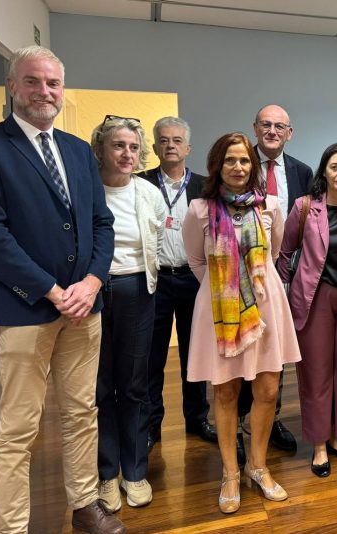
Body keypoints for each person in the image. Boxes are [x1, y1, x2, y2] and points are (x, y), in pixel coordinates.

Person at [0, 45, 125, 533]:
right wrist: (53, 290)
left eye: (52, 83)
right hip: (24, 309)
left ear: (62, 90)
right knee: (18, 430)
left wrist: (92, 281)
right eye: (32, 81)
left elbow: (101, 223)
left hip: (84, 309)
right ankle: (12, 527)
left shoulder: (76, 150)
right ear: (12, 87)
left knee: (80, 412)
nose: (43, 92)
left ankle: (85, 504)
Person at [183, 132, 301, 512]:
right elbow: (197, 261)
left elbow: (277, 252)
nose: (238, 167)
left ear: (254, 166)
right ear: (217, 165)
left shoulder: (271, 207)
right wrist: (225, 291)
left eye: (245, 160)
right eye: (231, 160)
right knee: (226, 392)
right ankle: (230, 473)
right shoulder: (199, 209)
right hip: (221, 313)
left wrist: (247, 287)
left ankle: (258, 466)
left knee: (268, 391)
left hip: (266, 309)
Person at [91, 116, 166, 509]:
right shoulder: (86, 190)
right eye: (119, 145)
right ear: (101, 148)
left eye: (134, 147)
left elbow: (154, 242)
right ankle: (107, 474)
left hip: (138, 290)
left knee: (135, 385)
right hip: (94, 292)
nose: (127, 154)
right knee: (102, 387)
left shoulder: (148, 193)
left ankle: (135, 471)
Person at [277, 143, 337, 477]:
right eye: (334, 167)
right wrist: (284, 299)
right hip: (315, 299)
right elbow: (285, 254)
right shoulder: (304, 207)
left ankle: (334, 436)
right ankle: (317, 444)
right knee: (316, 373)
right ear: (324, 171)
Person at [236, 104, 314, 453]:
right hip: (239, 279)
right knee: (241, 350)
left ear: (290, 132)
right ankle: (239, 424)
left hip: (285, 275)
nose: (272, 131)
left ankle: (271, 417)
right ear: (255, 128)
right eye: (266, 125)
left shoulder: (302, 172)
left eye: (279, 126)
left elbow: (307, 225)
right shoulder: (238, 164)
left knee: (274, 351)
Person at [140, 116, 219, 452]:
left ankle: (197, 418)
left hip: (193, 278)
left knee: (194, 353)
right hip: (155, 280)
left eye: (176, 140)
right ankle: (151, 423)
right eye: (163, 140)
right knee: (151, 355)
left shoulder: (205, 187)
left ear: (187, 147)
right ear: (155, 146)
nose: (169, 145)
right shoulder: (140, 184)